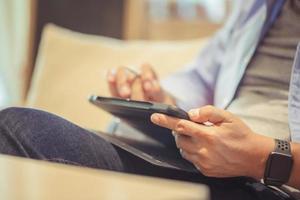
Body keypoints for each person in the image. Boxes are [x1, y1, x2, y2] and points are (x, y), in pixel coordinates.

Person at [0, 0, 299, 199]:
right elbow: (200, 81)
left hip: (270, 184)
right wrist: (155, 97)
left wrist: (262, 157)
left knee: (20, 127)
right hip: (209, 165)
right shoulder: (258, 8)